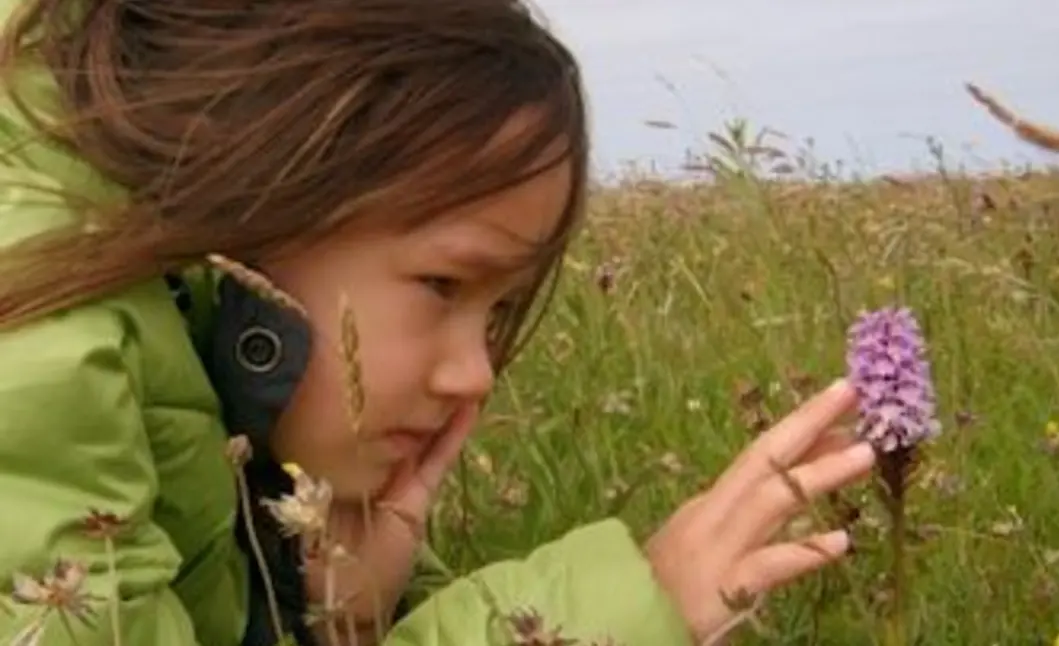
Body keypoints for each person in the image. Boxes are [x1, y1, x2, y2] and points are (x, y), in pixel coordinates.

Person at [0, 2, 876, 645]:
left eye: (497, 312)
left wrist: (334, 615)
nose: (475, 375)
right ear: (257, 193)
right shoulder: (46, 348)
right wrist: (623, 608)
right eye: (443, 282)